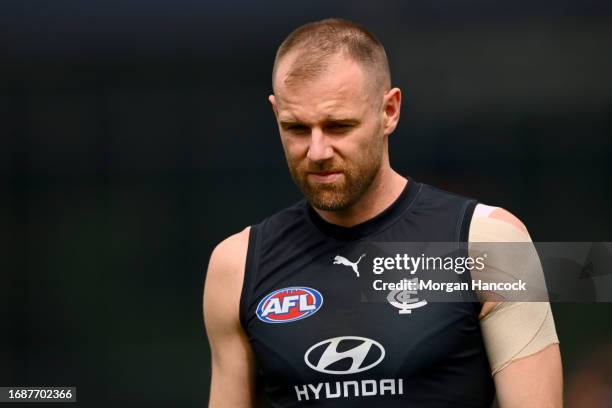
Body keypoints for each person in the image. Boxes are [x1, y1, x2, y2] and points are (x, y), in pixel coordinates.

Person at [204, 18, 562, 407]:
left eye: (338, 126)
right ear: (276, 114)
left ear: (389, 111)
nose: (318, 151)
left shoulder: (490, 243)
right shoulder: (236, 267)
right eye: (297, 129)